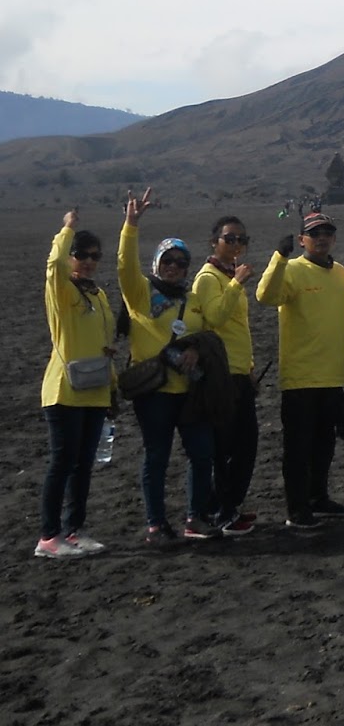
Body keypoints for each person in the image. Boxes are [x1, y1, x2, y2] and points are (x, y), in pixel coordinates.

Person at [118, 191, 220, 542]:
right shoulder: (141, 294)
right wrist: (131, 226)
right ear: (157, 263)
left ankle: (196, 517)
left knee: (201, 454)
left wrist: (196, 348)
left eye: (181, 262)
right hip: (155, 392)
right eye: (168, 261)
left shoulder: (192, 300)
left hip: (189, 391)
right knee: (157, 457)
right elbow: (124, 267)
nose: (174, 268)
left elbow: (207, 333)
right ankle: (156, 523)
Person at [257, 211, 344, 529]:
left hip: (332, 374)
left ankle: (319, 497)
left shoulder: (341, 273)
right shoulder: (291, 271)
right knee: (298, 448)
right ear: (302, 239)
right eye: (314, 234)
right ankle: (297, 507)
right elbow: (265, 296)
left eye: (327, 232)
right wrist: (278, 257)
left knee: (324, 445)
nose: (322, 238)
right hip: (300, 376)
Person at [37, 209, 115, 559]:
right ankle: (49, 536)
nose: (87, 262)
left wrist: (112, 386)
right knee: (62, 461)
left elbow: (104, 344)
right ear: (70, 256)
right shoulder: (62, 292)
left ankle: (74, 529)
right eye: (80, 254)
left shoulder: (98, 296)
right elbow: (53, 268)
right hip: (65, 390)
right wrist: (65, 231)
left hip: (95, 390)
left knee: (83, 464)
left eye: (94, 256)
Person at [190, 214, 258, 534]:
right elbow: (215, 317)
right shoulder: (208, 278)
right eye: (229, 239)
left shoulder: (225, 275)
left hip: (239, 371)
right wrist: (236, 283)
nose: (235, 245)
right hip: (221, 375)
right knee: (227, 448)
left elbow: (238, 329)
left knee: (245, 445)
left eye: (241, 239)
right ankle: (221, 510)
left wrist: (250, 365)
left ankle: (228, 506)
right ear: (214, 241)